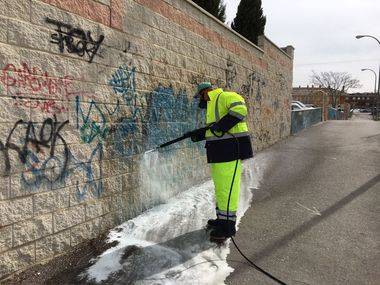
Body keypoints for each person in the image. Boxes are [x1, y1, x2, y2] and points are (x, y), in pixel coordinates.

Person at [189, 82, 253, 242]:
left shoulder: (225, 96)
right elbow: (215, 129)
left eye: (200, 97)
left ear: (205, 92)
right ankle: (222, 219)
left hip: (231, 150)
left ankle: (228, 227)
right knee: (221, 189)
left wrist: (220, 126)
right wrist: (200, 133)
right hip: (219, 152)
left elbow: (240, 109)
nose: (201, 101)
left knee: (228, 190)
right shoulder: (212, 106)